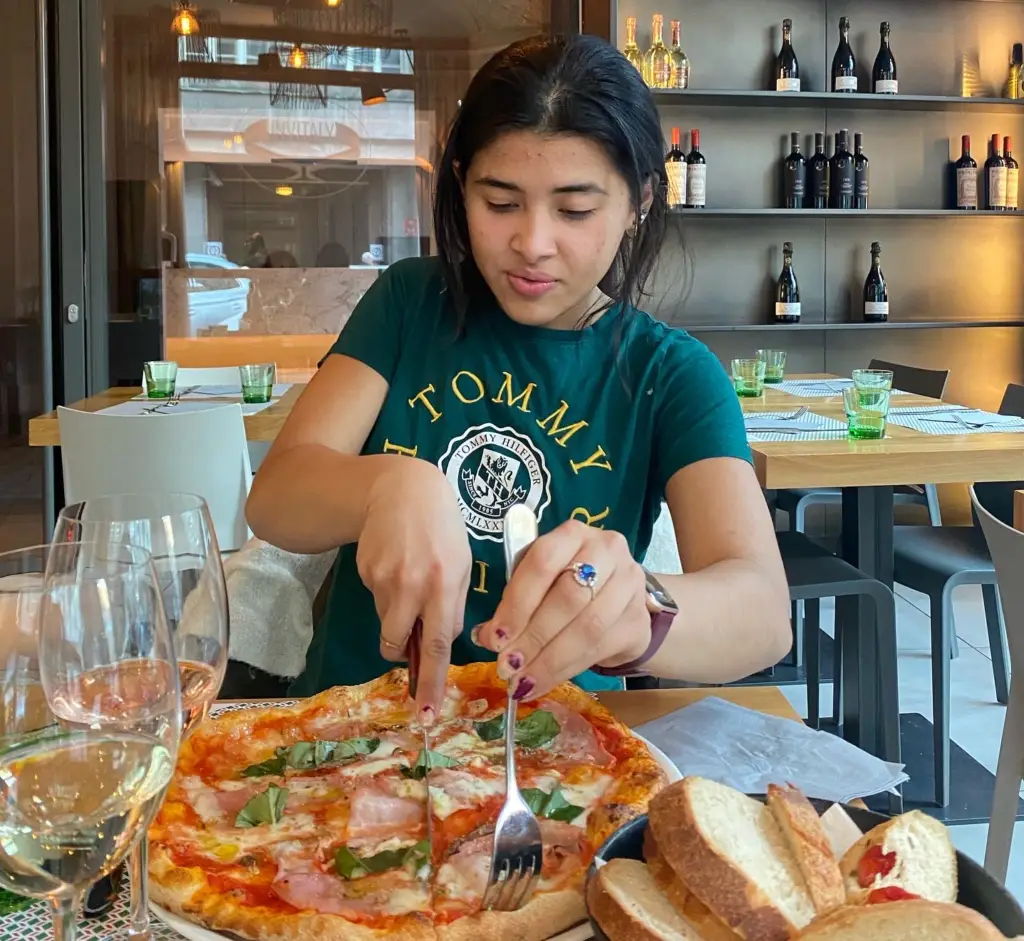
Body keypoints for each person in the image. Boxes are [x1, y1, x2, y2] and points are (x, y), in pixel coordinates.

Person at [247, 33, 791, 725]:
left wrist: (634, 608)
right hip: (352, 730)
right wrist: (387, 484)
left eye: (574, 210)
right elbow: (275, 497)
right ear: (461, 185)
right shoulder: (411, 304)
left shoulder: (670, 373)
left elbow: (763, 611)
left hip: (553, 753)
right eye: (500, 202)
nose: (532, 243)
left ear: (640, 200)